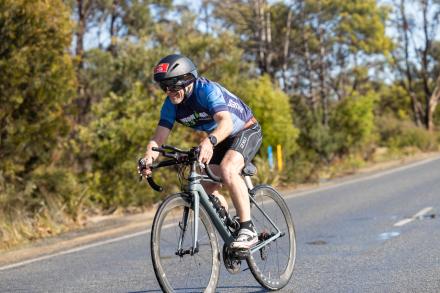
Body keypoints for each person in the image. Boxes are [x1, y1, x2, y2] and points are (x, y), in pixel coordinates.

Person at [140, 54, 262, 249]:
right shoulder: (171, 105)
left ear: (187, 80)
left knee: (228, 170)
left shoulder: (207, 90)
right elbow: (158, 139)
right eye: (164, 87)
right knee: (205, 188)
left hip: (244, 130)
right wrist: (148, 157)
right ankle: (232, 227)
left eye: (172, 86)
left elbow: (226, 122)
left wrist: (209, 142)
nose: (168, 92)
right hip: (219, 138)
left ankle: (248, 229)